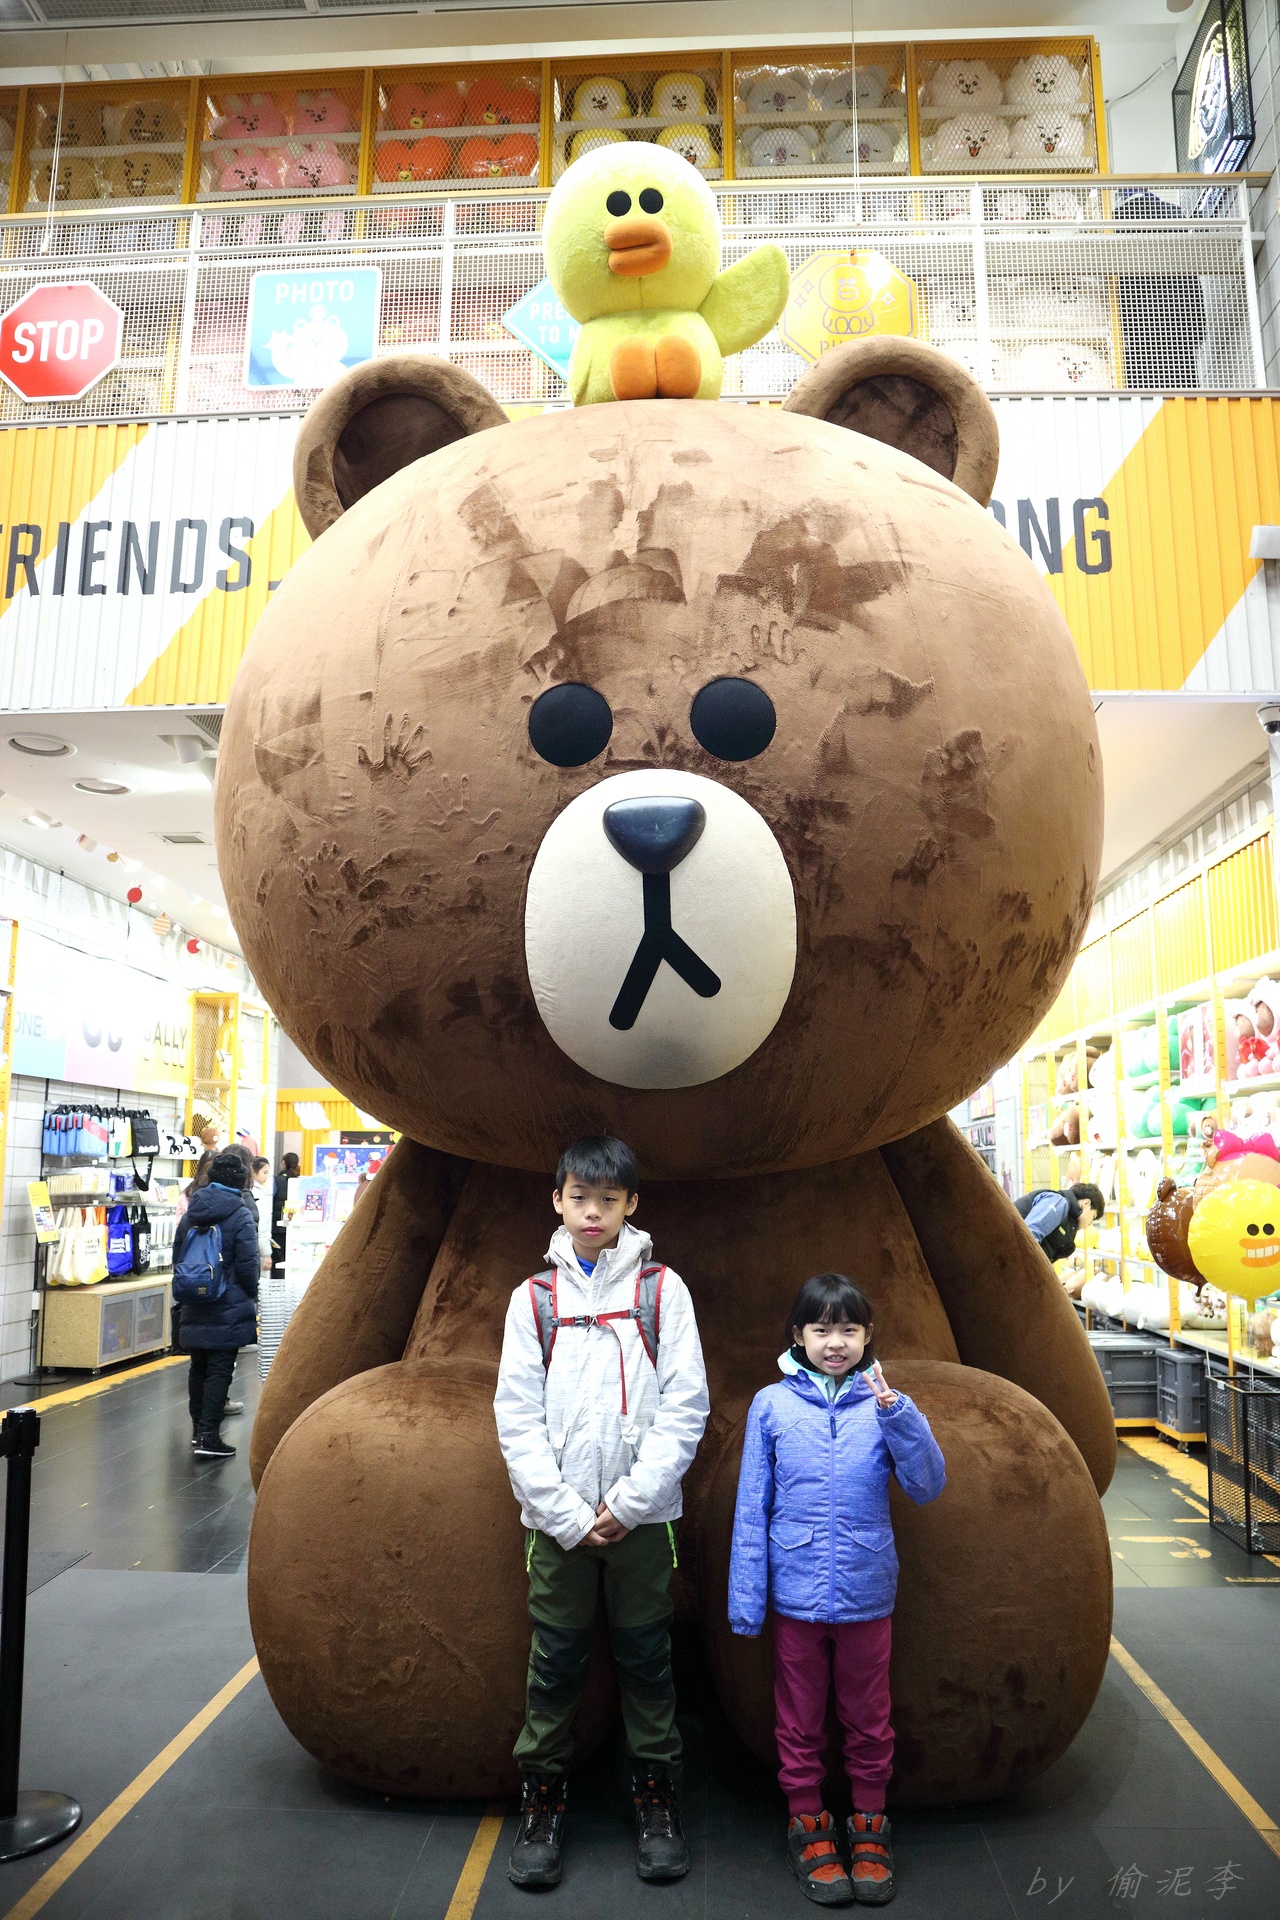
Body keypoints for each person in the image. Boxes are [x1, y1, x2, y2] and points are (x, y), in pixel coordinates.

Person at [494, 1135, 709, 1890]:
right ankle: (543, 1799)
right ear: (557, 1200)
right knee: (555, 1662)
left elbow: (687, 1405)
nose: (593, 1212)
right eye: (580, 1198)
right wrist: (564, 1513)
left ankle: (656, 1797)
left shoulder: (661, 1291)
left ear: (631, 1206)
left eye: (608, 1200)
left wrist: (628, 1501)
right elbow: (515, 1416)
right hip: (557, 1527)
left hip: (642, 1522)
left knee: (647, 1659)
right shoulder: (534, 1300)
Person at [729, 1275, 945, 1908]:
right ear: (798, 1335)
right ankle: (808, 1823)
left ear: (867, 1335)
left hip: (865, 1592)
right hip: (794, 1595)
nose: (835, 1343)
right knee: (798, 1719)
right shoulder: (771, 1405)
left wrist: (899, 1416)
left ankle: (870, 1822)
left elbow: (928, 1485)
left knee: (869, 1718)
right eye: (821, 1329)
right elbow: (751, 1508)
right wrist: (747, 1601)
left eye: (848, 1329)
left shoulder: (886, 1404)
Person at [173, 1148, 260, 1460]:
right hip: (228, 1302)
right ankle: (210, 1435)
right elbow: (248, 1266)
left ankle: (198, 1429)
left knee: (198, 1366)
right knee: (220, 1368)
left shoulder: (192, 1214)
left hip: (194, 1299)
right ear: (240, 1181)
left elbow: (178, 1257)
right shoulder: (240, 1215)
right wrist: (250, 1295)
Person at [1014, 1183, 1105, 1263]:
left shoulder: (1068, 1227)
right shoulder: (1059, 1202)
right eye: (1093, 1217)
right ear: (1086, 1203)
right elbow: (1029, 1236)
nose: (1090, 1223)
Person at [272, 1152, 299, 1276]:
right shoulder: (298, 1181)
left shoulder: (276, 1181)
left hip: (277, 1228)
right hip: (294, 1227)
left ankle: (278, 1283)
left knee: (277, 1260)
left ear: (283, 1163)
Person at [251, 1156, 273, 1271]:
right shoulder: (258, 1194)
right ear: (254, 1171)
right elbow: (262, 1225)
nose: (266, 1176)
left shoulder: (248, 1190)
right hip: (257, 1248)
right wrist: (266, 1253)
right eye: (264, 1172)